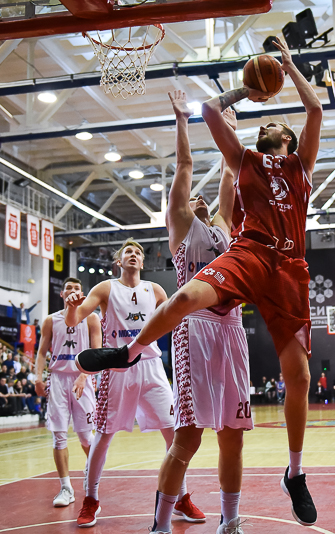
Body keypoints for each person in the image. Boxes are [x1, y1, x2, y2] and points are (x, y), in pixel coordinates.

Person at [75, 35, 321, 527]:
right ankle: (129, 353)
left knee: (298, 378)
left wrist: (289, 67)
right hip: (250, 257)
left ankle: (293, 474)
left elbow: (314, 110)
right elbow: (209, 114)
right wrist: (246, 91)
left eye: (274, 124)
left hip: (285, 271)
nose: (267, 125)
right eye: (264, 122)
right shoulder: (243, 164)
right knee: (187, 297)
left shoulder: (300, 166)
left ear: (288, 138)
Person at [144, 92, 251, 534]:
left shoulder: (224, 227)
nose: (199, 199)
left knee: (233, 437)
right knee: (188, 439)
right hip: (196, 328)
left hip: (232, 329)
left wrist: (230, 127)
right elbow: (185, 165)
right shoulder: (181, 227)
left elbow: (230, 170)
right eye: (193, 199)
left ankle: (231, 521)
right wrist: (182, 119)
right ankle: (160, 525)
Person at [64, 239, 201, 529]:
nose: (134, 255)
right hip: (118, 367)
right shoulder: (105, 288)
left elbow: (175, 320)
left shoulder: (156, 290)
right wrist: (71, 307)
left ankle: (181, 497)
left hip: (152, 367)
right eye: (128, 251)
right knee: (103, 436)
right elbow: (74, 320)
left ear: (142, 261)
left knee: (174, 435)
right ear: (119, 261)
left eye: (138, 252)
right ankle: (91, 499)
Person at [35, 277, 100, 509]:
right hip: (58, 379)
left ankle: (92, 479)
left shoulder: (91, 317)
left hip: (83, 377)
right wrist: (38, 377)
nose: (72, 290)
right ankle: (66, 487)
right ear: (62, 294)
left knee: (85, 436)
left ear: (82, 295)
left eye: (77, 288)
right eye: (68, 288)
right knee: (59, 436)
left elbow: (97, 350)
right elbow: (41, 352)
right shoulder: (50, 320)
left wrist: (84, 375)